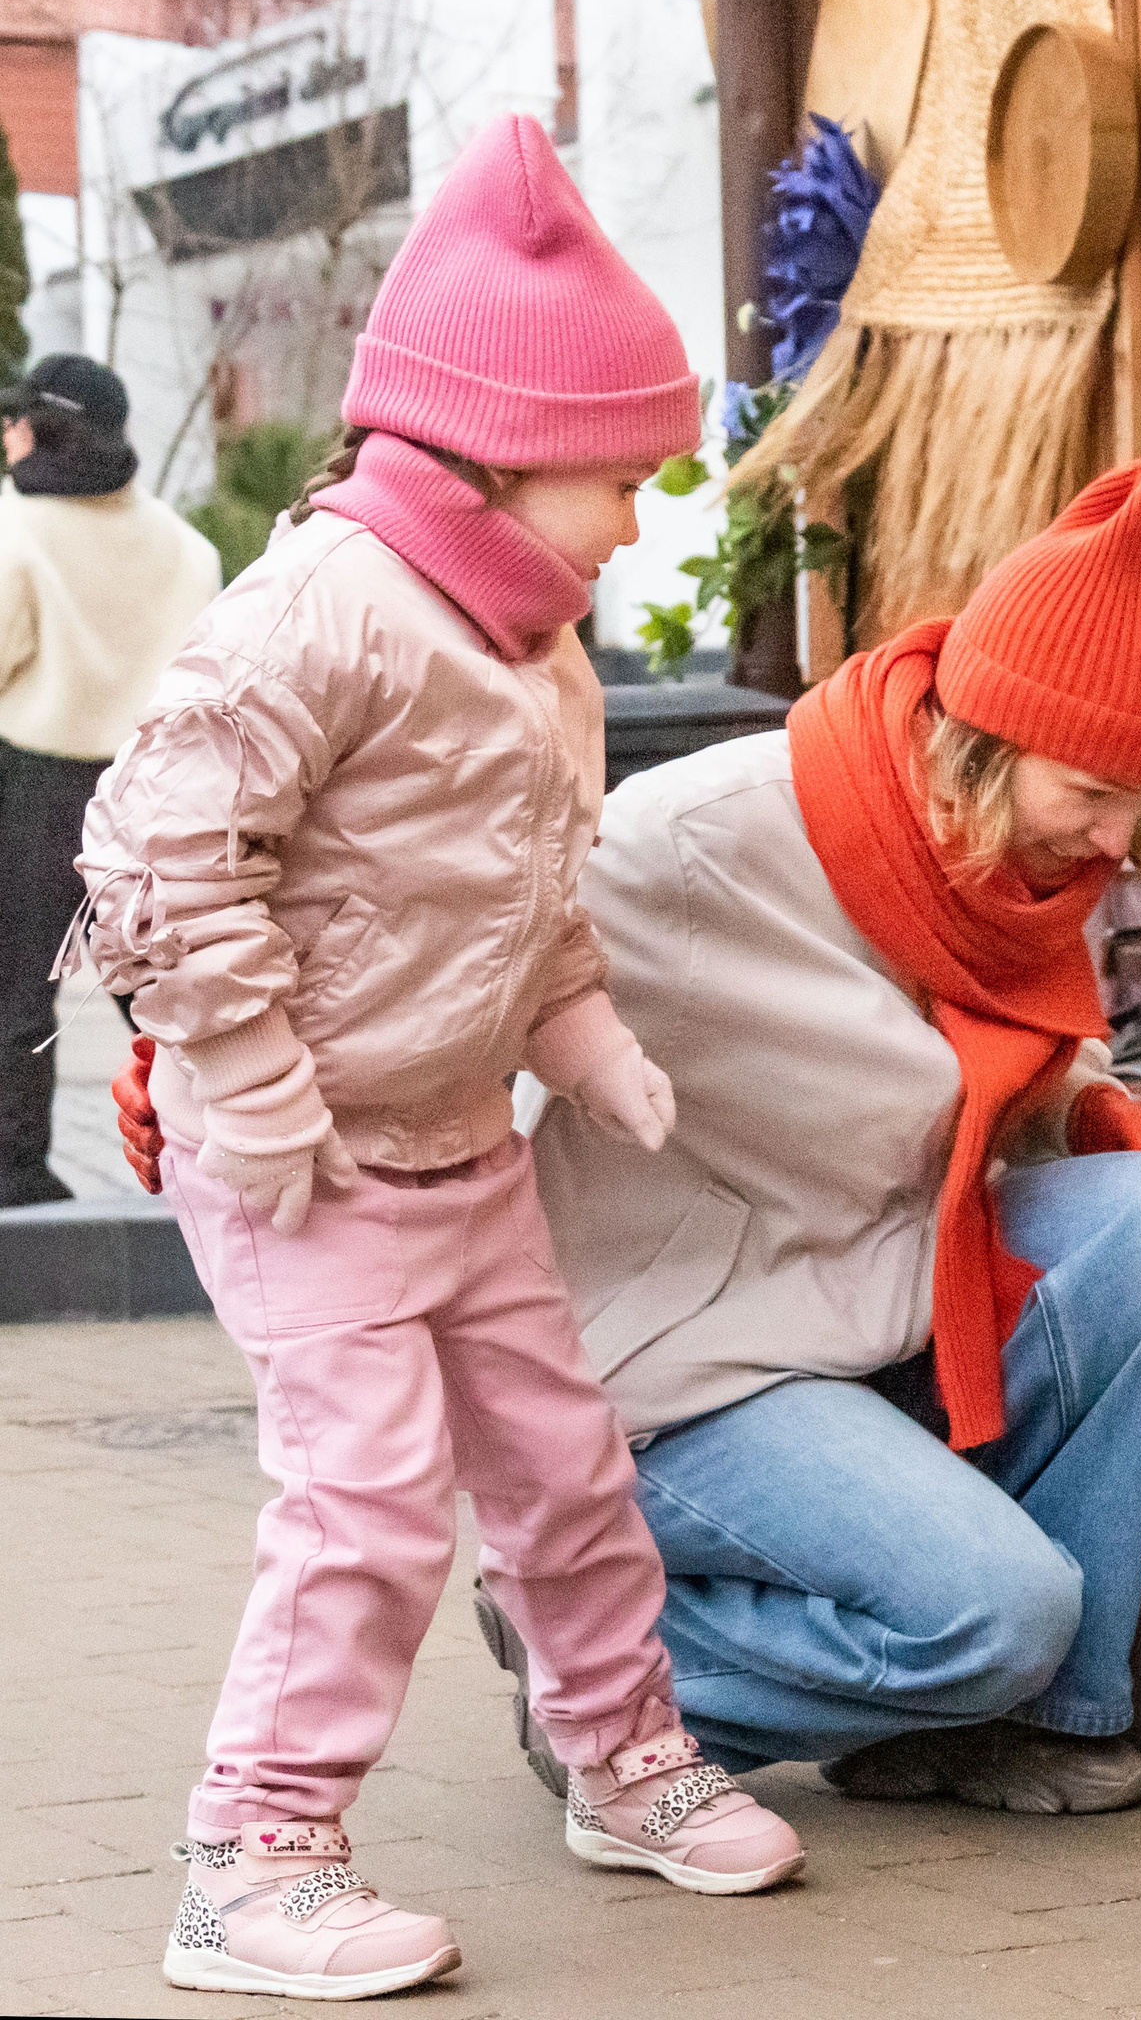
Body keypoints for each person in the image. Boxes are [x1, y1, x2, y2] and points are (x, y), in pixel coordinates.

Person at [71, 116, 802, 2005]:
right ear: (498, 446)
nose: (640, 516)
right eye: (620, 475)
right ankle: (255, 1853)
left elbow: (531, 894)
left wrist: (593, 1040)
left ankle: (620, 1755)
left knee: (568, 1465)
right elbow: (157, 849)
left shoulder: (538, 641)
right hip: (301, 1157)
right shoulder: (327, 606)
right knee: (370, 1499)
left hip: (461, 1143)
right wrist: (252, 1080)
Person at [487, 457, 1141, 1812]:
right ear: (987, 738)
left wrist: (1078, 1111)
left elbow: (940, 1085)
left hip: (866, 1320)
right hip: (673, 1380)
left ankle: (1014, 1724)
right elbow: (440, 948)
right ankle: (609, 1658)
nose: (1121, 844)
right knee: (995, 1615)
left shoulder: (1008, 869)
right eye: (1097, 792)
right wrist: (229, 1071)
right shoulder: (693, 844)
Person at [0, 353, 218, 1206]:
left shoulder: (15, 529)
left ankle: (16, 1179)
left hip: (35, 788)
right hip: (154, 789)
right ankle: (211, 1147)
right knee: (162, 986)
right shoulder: (186, 546)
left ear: (43, 427)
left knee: (16, 991)